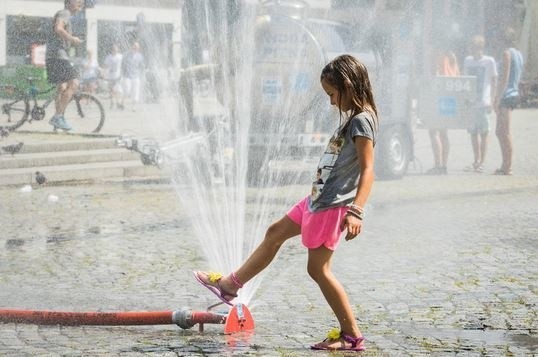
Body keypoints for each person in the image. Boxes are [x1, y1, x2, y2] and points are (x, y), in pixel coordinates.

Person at [194, 54, 378, 351]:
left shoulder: (362, 121)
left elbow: (368, 169)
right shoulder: (353, 119)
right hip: (316, 200)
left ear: (346, 85)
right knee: (275, 232)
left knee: (318, 270)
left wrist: (356, 211)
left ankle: (351, 335)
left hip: (332, 206)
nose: (331, 102)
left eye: (332, 94)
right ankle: (230, 285)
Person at [45, 0, 83, 131]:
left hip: (53, 56)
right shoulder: (65, 13)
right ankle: (58, 116)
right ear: (69, 2)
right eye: (78, 1)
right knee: (74, 83)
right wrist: (72, 39)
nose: (81, 4)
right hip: (58, 56)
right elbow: (58, 29)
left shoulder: (64, 14)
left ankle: (58, 122)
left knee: (61, 87)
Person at [463, 35, 498, 173]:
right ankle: (476, 160)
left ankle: (482, 162)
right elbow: (464, 80)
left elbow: (494, 81)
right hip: (471, 103)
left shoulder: (489, 61)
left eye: (473, 48)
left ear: (479, 48)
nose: (471, 51)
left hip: (484, 102)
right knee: (473, 133)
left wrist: (493, 100)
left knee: (484, 133)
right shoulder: (467, 61)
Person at [494, 27, 524, 175]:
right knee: (500, 131)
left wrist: (497, 99)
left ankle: (507, 167)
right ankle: (505, 165)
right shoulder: (518, 54)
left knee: (503, 132)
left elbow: (504, 79)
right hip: (513, 93)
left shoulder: (507, 54)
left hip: (506, 96)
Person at [426, 50, 460, 175]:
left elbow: (433, 78)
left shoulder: (438, 56)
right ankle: (444, 165)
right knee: (444, 133)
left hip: (438, 97)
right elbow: (457, 77)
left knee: (433, 132)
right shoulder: (452, 58)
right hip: (449, 99)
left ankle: (438, 165)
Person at [121, 41, 145, 111]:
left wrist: (142, 74)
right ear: (132, 47)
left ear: (138, 48)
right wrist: (122, 73)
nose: (135, 48)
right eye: (134, 46)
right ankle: (122, 102)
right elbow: (122, 65)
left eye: (137, 47)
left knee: (136, 92)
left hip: (136, 76)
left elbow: (142, 66)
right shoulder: (126, 55)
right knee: (127, 91)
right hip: (127, 76)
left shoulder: (140, 56)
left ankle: (133, 107)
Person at [103, 44, 123, 109]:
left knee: (116, 90)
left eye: (115, 49)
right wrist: (104, 74)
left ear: (118, 49)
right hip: (110, 76)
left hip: (117, 76)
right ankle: (113, 102)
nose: (114, 50)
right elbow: (105, 66)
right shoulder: (108, 57)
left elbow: (124, 64)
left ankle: (117, 103)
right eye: (113, 49)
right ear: (111, 50)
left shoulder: (120, 56)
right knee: (111, 90)